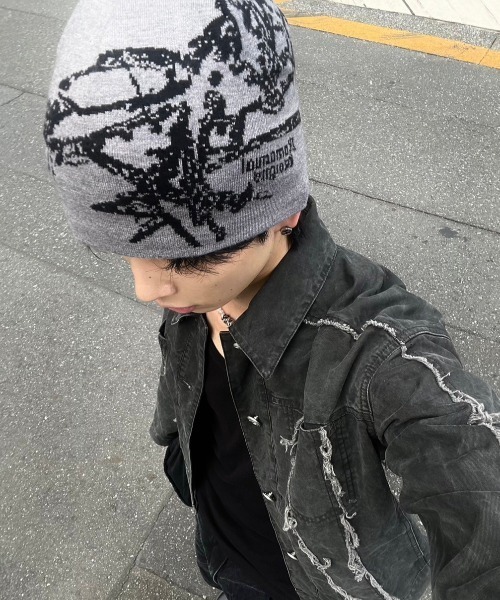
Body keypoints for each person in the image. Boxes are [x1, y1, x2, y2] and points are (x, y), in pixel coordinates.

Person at [44, 1, 500, 599]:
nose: (147, 288)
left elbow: (473, 486)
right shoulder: (196, 296)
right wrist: (176, 452)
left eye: (185, 258)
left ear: (281, 212)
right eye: (126, 252)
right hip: (227, 554)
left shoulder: (379, 352)